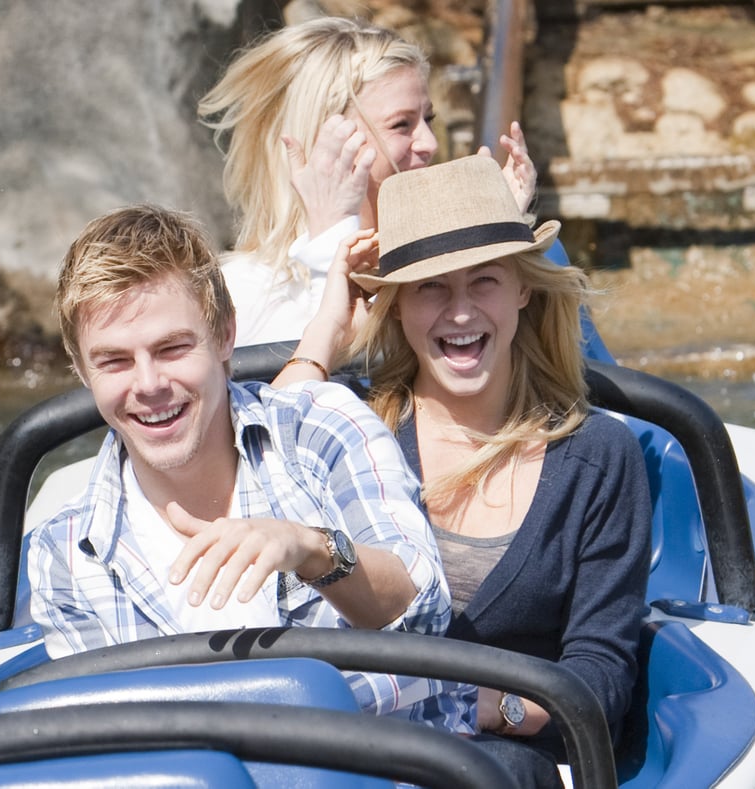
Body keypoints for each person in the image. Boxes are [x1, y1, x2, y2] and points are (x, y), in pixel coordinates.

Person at [276, 155, 652, 787]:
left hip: (509, 761)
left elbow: (600, 675)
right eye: (430, 287)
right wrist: (325, 329)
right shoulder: (352, 428)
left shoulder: (598, 456)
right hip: (355, 751)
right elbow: (266, 450)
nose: (459, 312)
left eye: (484, 281)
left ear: (524, 288)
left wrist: (485, 709)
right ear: (394, 307)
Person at [26, 203, 475, 732]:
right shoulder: (65, 557)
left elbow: (422, 612)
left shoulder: (319, 430)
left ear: (224, 336)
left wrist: (309, 549)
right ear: (81, 369)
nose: (147, 385)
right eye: (114, 361)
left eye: (172, 348)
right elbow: (115, 749)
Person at [198, 15, 538, 347]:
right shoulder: (246, 291)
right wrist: (330, 245)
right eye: (401, 125)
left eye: (428, 119)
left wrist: (503, 236)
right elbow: (308, 393)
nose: (430, 144)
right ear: (324, 143)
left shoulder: (436, 257)